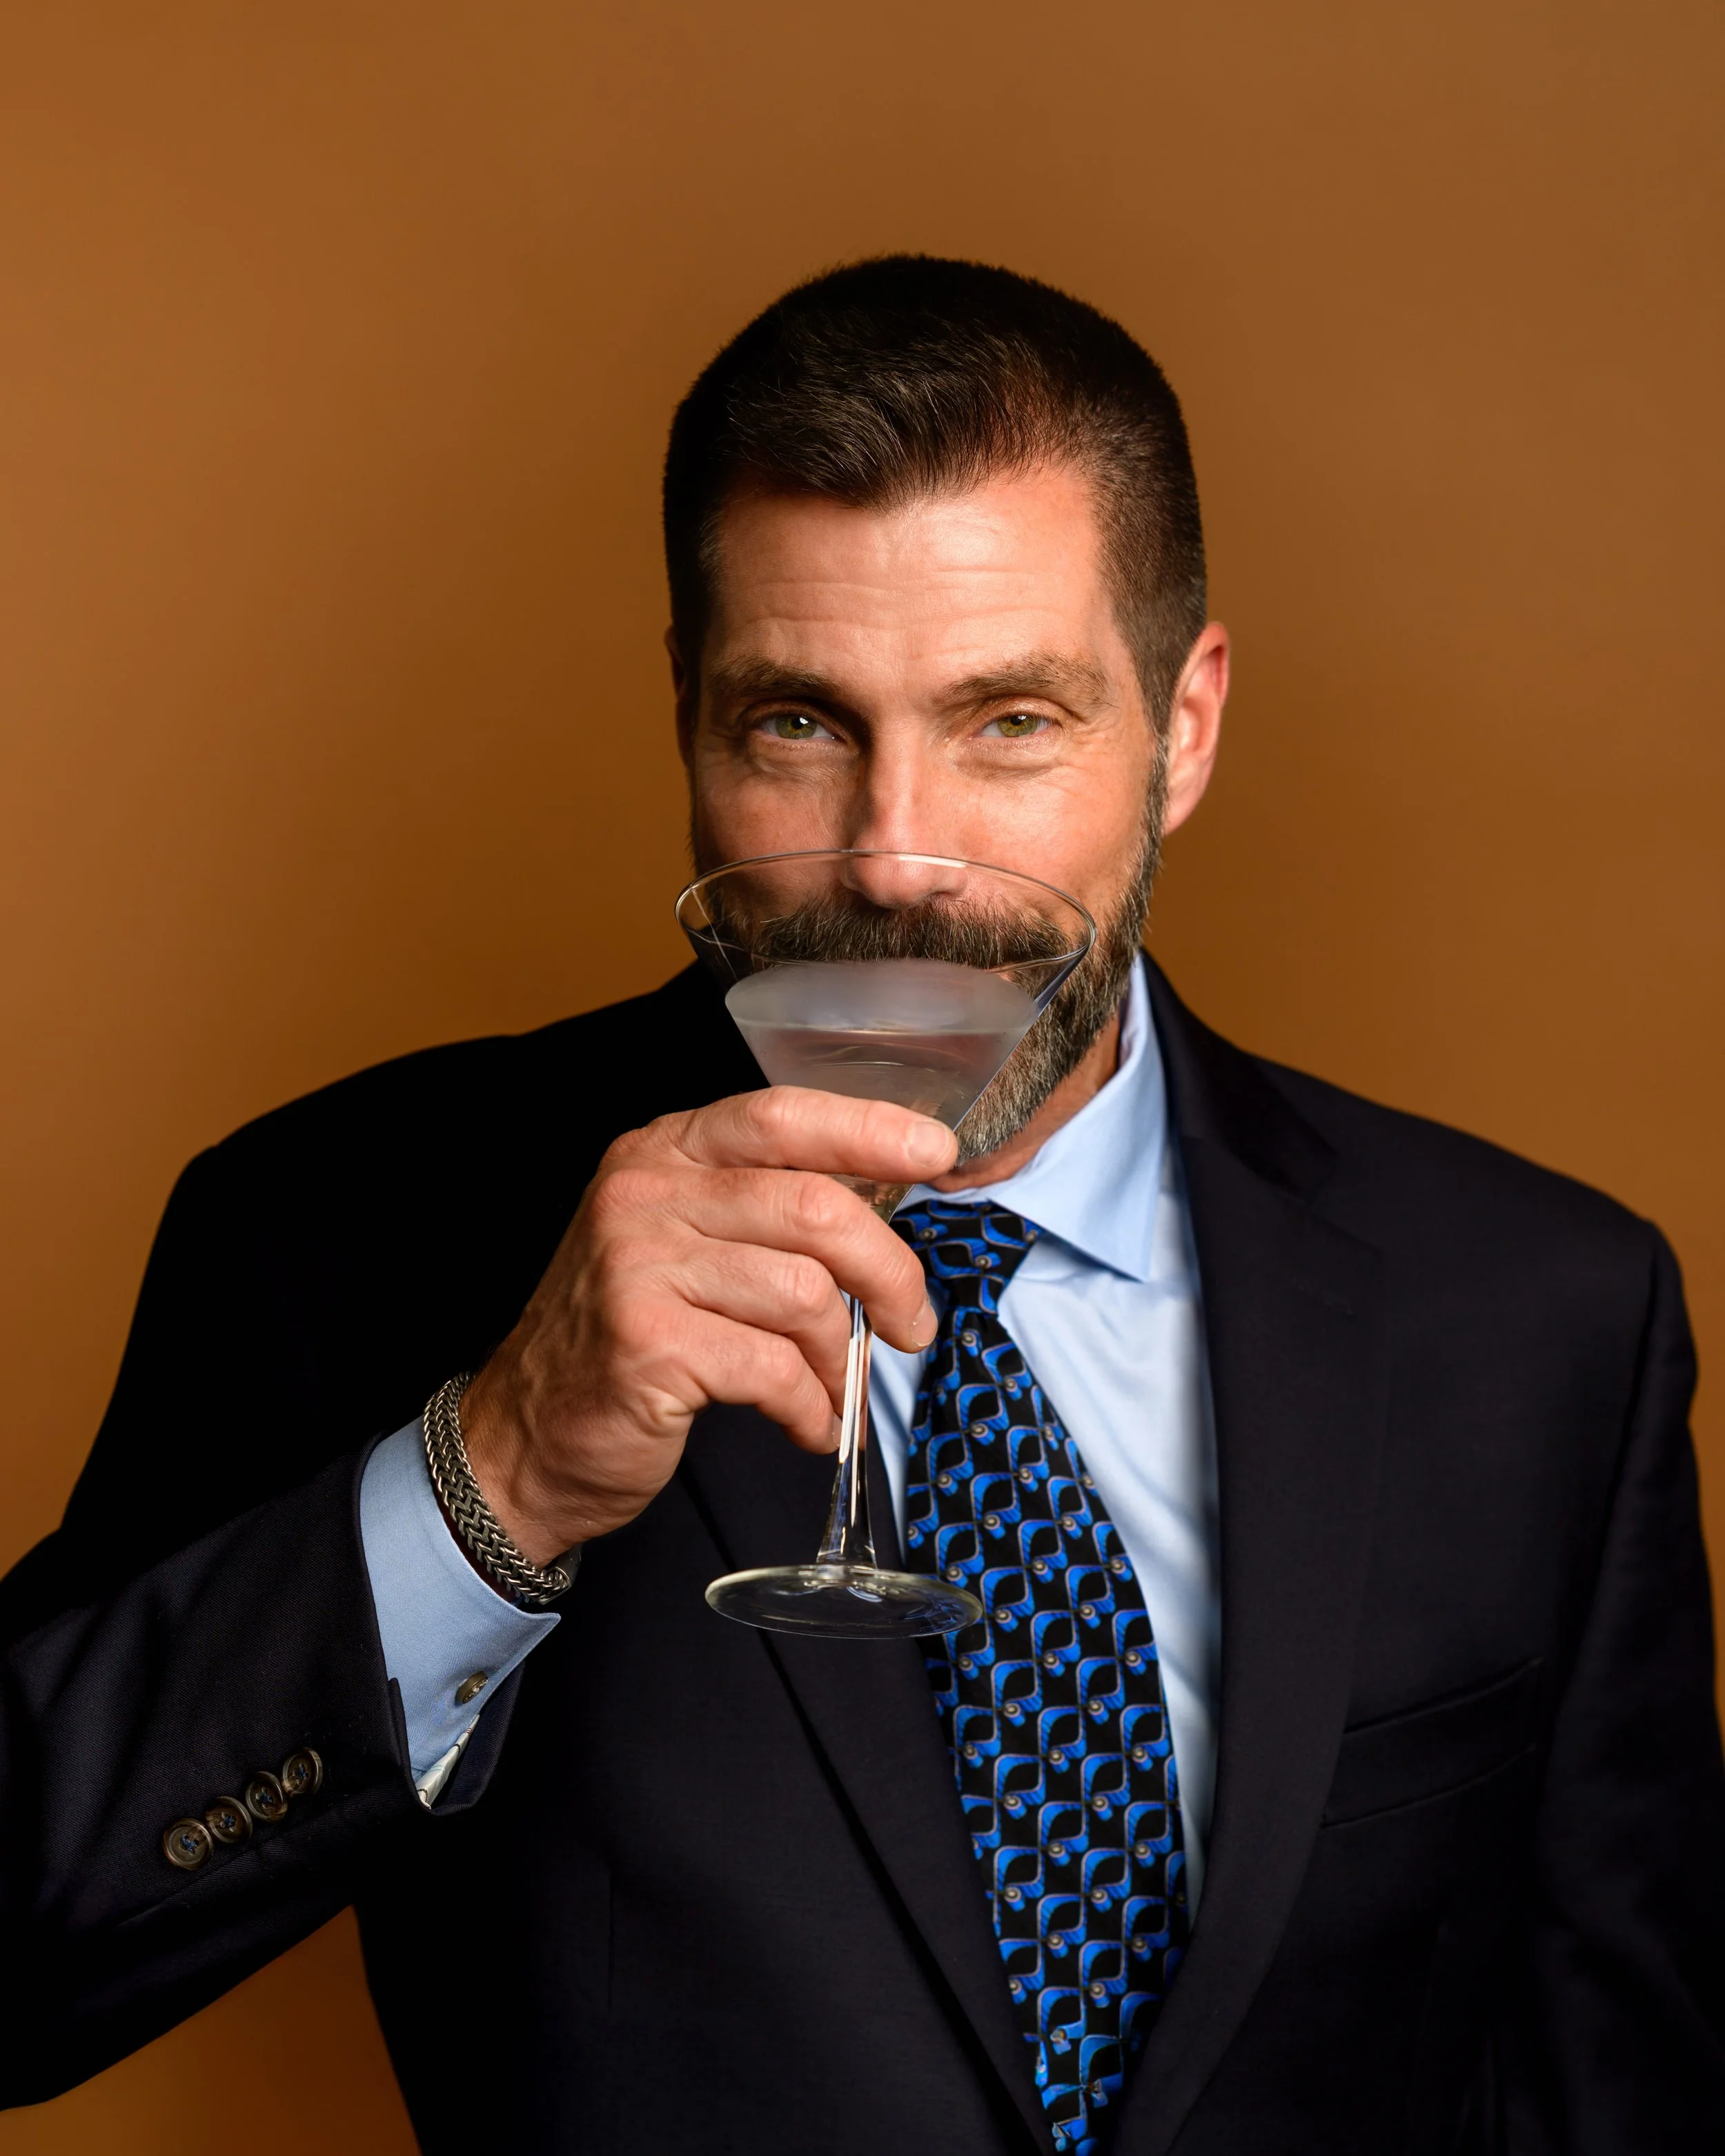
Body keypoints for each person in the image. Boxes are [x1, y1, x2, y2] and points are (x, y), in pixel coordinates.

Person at [1, 255, 1720, 2156]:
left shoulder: (1540, 1314)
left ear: (1186, 721)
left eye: (1008, 722)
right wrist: (494, 1473)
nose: (897, 861)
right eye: (799, 724)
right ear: (687, 716)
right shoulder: (340, 1234)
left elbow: (1608, 2078)